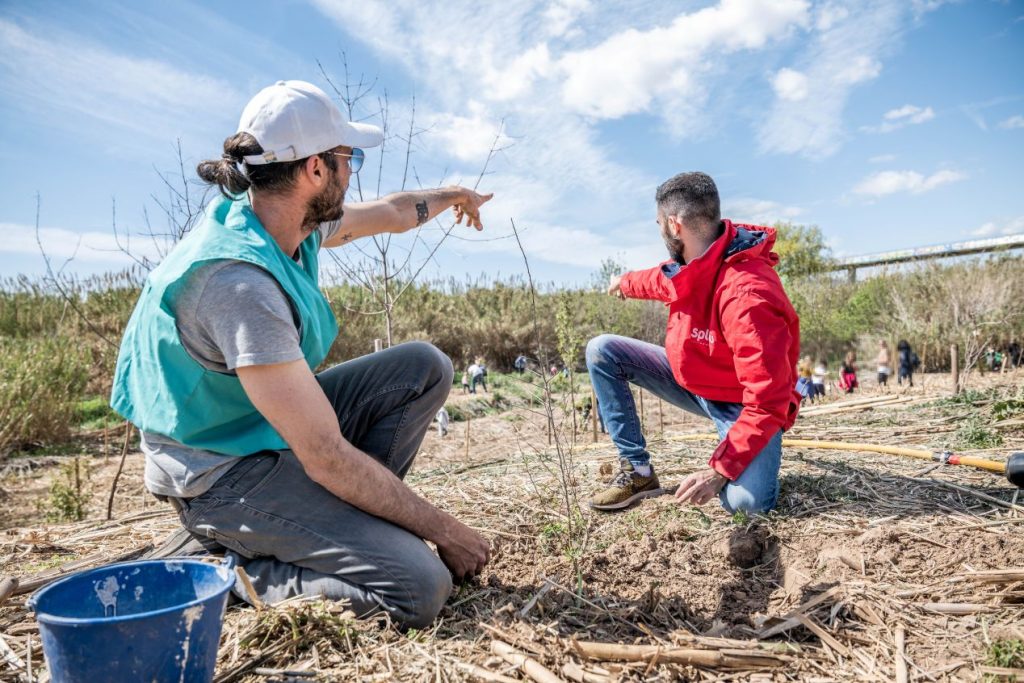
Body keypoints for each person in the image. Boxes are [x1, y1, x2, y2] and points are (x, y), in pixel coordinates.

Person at [110, 80, 494, 629]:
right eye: (349, 158)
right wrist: (444, 530)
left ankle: (340, 529)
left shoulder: (290, 221)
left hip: (252, 427)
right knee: (417, 587)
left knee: (421, 367)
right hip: (218, 471)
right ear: (316, 169)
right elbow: (325, 455)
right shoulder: (239, 283)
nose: (352, 170)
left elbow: (391, 212)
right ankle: (226, 567)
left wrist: (456, 193)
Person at [585, 172, 800, 514]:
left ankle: (739, 451)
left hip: (744, 405)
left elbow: (768, 401)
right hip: (695, 383)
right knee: (602, 350)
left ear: (673, 225)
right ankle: (638, 471)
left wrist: (718, 471)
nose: (659, 232)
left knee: (745, 505)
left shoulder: (747, 296)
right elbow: (658, 279)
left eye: (658, 224)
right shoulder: (692, 264)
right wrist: (623, 282)